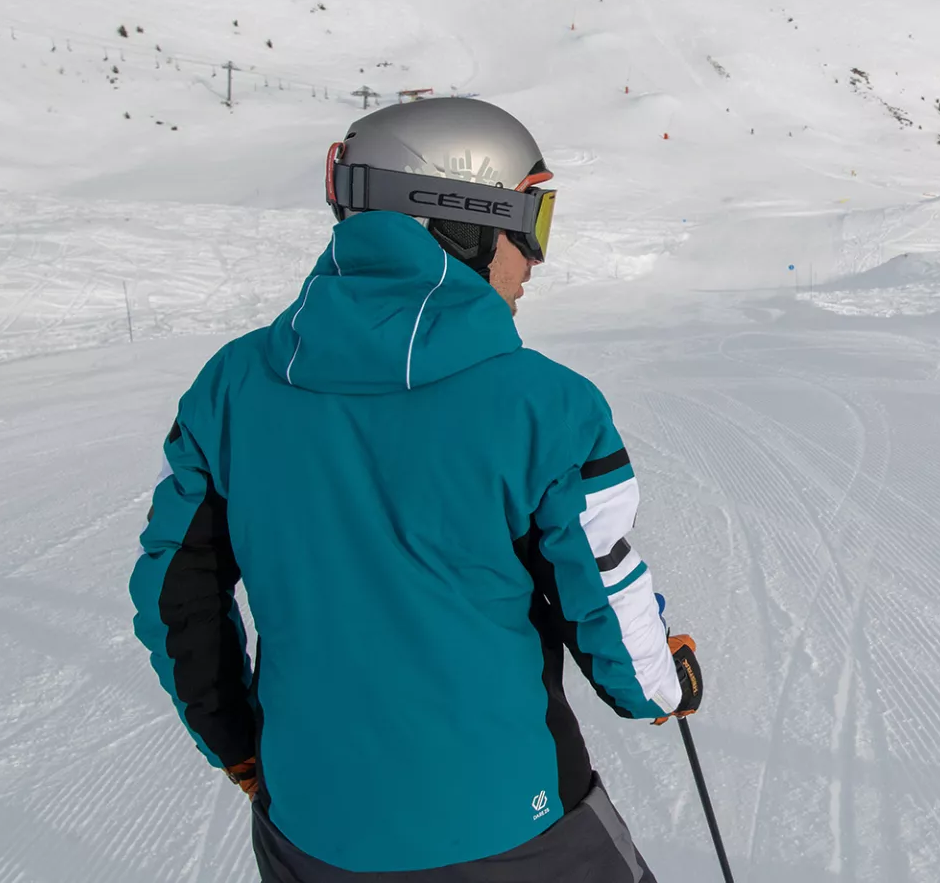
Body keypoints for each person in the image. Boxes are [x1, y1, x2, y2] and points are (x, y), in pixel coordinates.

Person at [130, 98, 702, 881]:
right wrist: (667, 684)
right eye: (532, 219)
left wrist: (238, 743)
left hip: (310, 828)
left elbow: (176, 588)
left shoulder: (231, 385)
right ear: (461, 220)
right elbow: (610, 614)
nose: (536, 258)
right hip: (514, 829)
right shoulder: (544, 404)